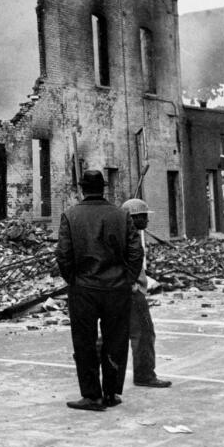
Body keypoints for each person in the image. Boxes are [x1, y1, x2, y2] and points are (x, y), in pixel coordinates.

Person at [55, 170, 143, 411]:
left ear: (82, 189)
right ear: (104, 188)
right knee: (115, 340)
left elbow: (63, 254)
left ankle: (91, 396)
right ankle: (111, 393)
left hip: (84, 288)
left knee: (84, 342)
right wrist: (127, 278)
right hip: (116, 288)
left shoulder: (70, 216)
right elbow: (136, 252)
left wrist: (73, 279)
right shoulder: (121, 215)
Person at [121, 198, 171, 389]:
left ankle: (89, 359)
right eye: (144, 216)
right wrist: (132, 285)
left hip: (121, 291)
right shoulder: (130, 238)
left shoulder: (120, 235)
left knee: (113, 333)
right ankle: (144, 374)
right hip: (133, 292)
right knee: (144, 334)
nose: (147, 221)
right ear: (133, 218)